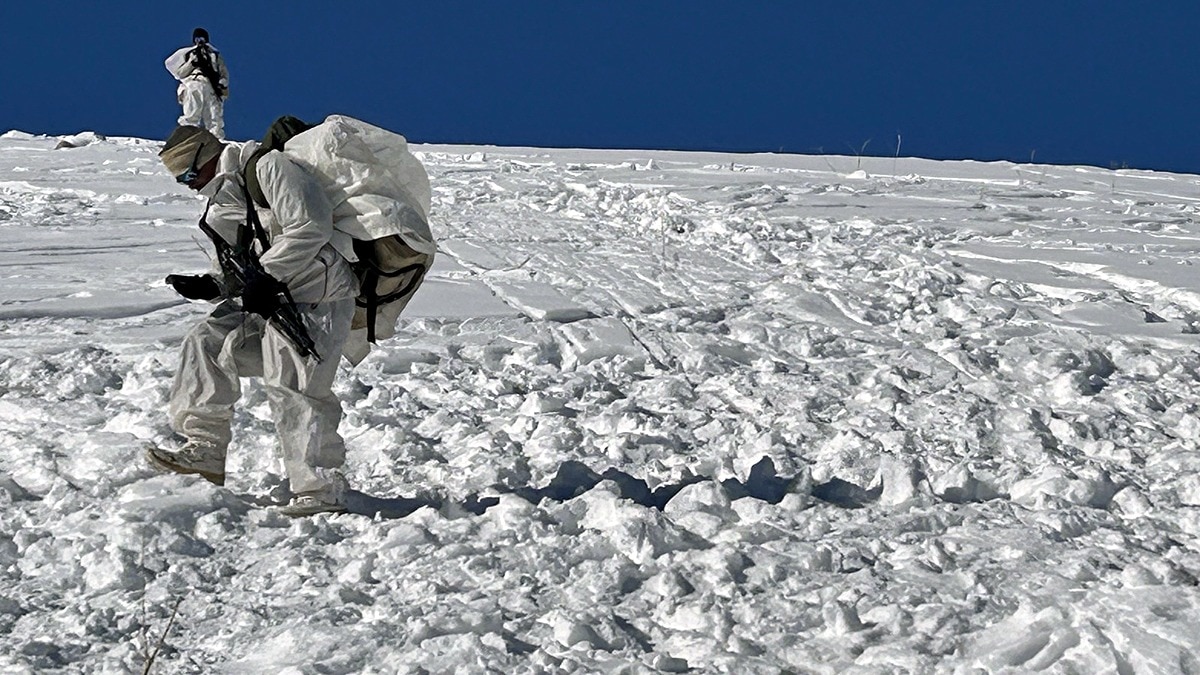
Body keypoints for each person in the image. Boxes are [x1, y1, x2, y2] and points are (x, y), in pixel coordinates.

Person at [146, 124, 361, 516]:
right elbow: (237, 257)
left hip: (318, 293)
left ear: (206, 158)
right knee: (205, 341)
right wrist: (210, 285)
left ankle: (320, 487)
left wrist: (268, 274)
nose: (188, 185)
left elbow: (311, 225)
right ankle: (206, 449)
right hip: (267, 297)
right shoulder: (221, 200)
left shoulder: (269, 168)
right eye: (180, 180)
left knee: (293, 384)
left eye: (189, 175)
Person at [164, 28, 230, 140]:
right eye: (197, 39)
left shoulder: (215, 55)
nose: (200, 41)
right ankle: (187, 138)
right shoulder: (189, 54)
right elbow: (180, 73)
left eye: (202, 38)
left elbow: (223, 73)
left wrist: (222, 82)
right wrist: (191, 63)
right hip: (194, 83)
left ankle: (216, 141)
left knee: (214, 117)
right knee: (192, 112)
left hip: (211, 87)